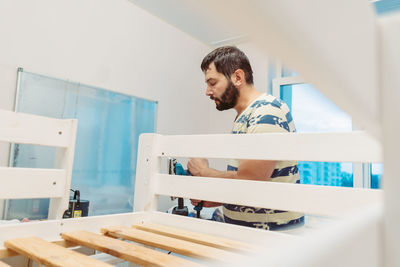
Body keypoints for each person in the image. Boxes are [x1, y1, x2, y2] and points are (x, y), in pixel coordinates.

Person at [188, 46, 303, 230]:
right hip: (252, 234)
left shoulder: (266, 111)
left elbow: (251, 180)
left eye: (212, 83)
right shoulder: (246, 115)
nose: (208, 92)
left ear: (238, 77)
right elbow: (256, 185)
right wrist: (217, 200)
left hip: (271, 238)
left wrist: (204, 172)